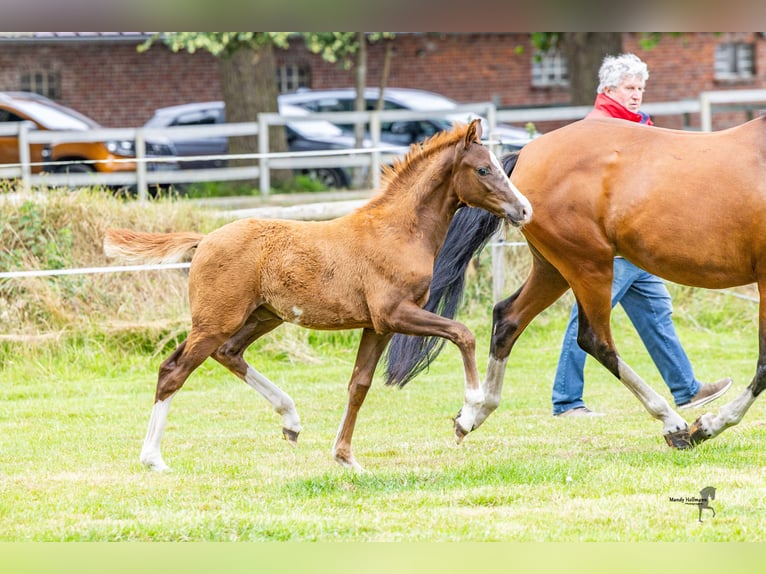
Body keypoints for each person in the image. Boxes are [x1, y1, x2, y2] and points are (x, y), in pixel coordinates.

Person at [552, 53, 733, 417]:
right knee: (587, 320)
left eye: (640, 88)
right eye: (629, 88)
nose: (636, 95)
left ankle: (687, 389)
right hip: (613, 248)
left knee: (657, 313)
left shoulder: (636, 124)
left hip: (641, 245)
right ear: (608, 89)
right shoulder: (599, 128)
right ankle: (567, 401)